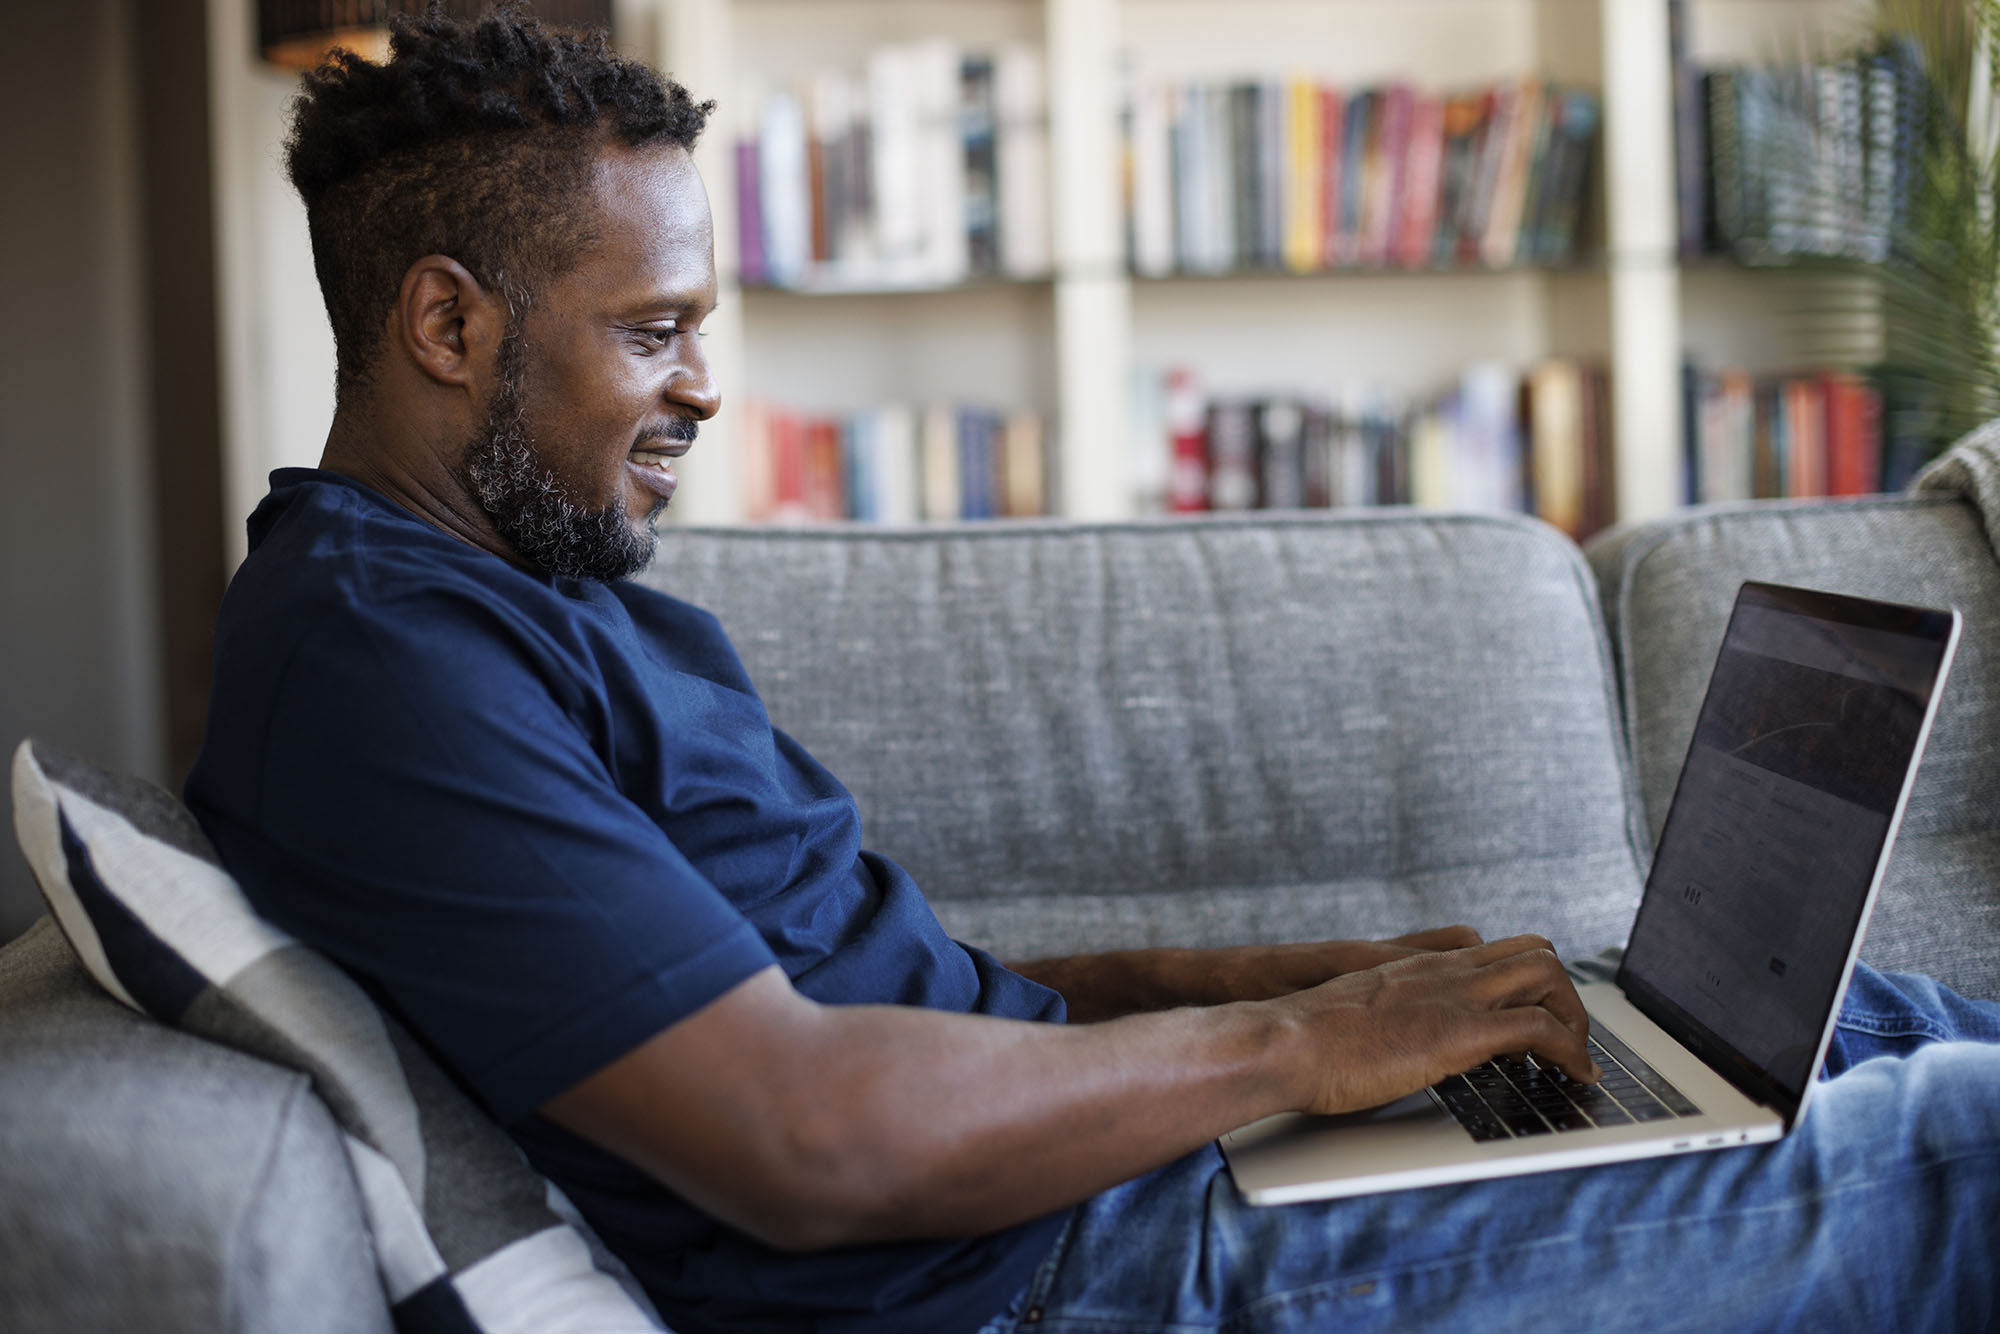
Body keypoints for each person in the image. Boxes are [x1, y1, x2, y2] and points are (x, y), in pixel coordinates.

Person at [185, 10, 2000, 1332]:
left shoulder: (535, 581)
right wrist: (1301, 1044)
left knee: (1890, 1023)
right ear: (446, 321)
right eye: (654, 331)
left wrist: (1316, 979)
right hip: (1063, 1277)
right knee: (1969, 1138)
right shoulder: (372, 662)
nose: (705, 387)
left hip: (1106, 1178)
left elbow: (890, 999)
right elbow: (800, 1133)